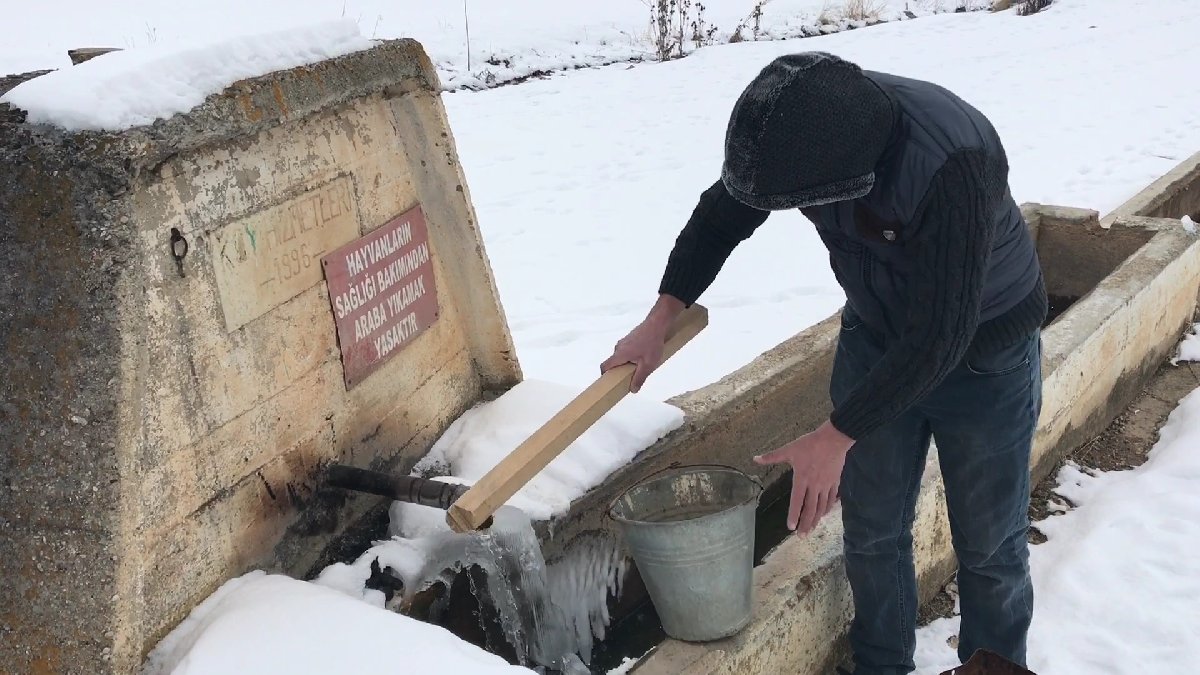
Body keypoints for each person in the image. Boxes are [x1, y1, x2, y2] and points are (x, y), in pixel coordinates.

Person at [600, 52, 1046, 675]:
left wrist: (836, 435)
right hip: (877, 332)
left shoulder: (952, 160)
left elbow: (941, 335)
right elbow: (720, 217)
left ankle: (993, 667)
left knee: (990, 543)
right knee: (872, 530)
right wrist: (661, 318)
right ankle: (881, 667)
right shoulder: (797, 135)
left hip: (983, 355)